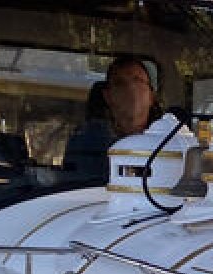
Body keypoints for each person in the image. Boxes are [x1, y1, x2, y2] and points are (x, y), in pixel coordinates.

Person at [63, 55, 163, 184]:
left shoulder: (167, 140)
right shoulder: (87, 140)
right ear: (107, 96)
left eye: (137, 80)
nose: (130, 88)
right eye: (120, 83)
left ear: (151, 96)